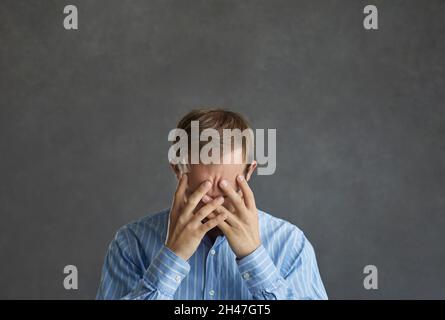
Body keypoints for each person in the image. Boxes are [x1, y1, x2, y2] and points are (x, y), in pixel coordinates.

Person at [96, 108, 327, 300]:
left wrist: (254, 258)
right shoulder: (131, 244)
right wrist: (172, 258)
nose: (214, 206)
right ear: (177, 169)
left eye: (226, 193)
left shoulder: (290, 244)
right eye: (201, 193)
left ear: (249, 172)